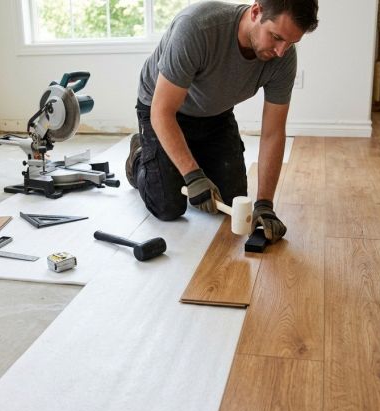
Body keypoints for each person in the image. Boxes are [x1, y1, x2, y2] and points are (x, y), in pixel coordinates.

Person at [126, 0, 318, 243]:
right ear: (256, 11)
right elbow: (162, 111)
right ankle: (141, 157)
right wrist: (193, 175)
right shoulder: (197, 28)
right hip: (162, 109)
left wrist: (265, 205)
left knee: (231, 202)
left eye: (291, 43)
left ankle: (186, 156)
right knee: (167, 207)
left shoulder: (284, 57)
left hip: (214, 113)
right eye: (276, 37)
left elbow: (273, 132)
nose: (281, 51)